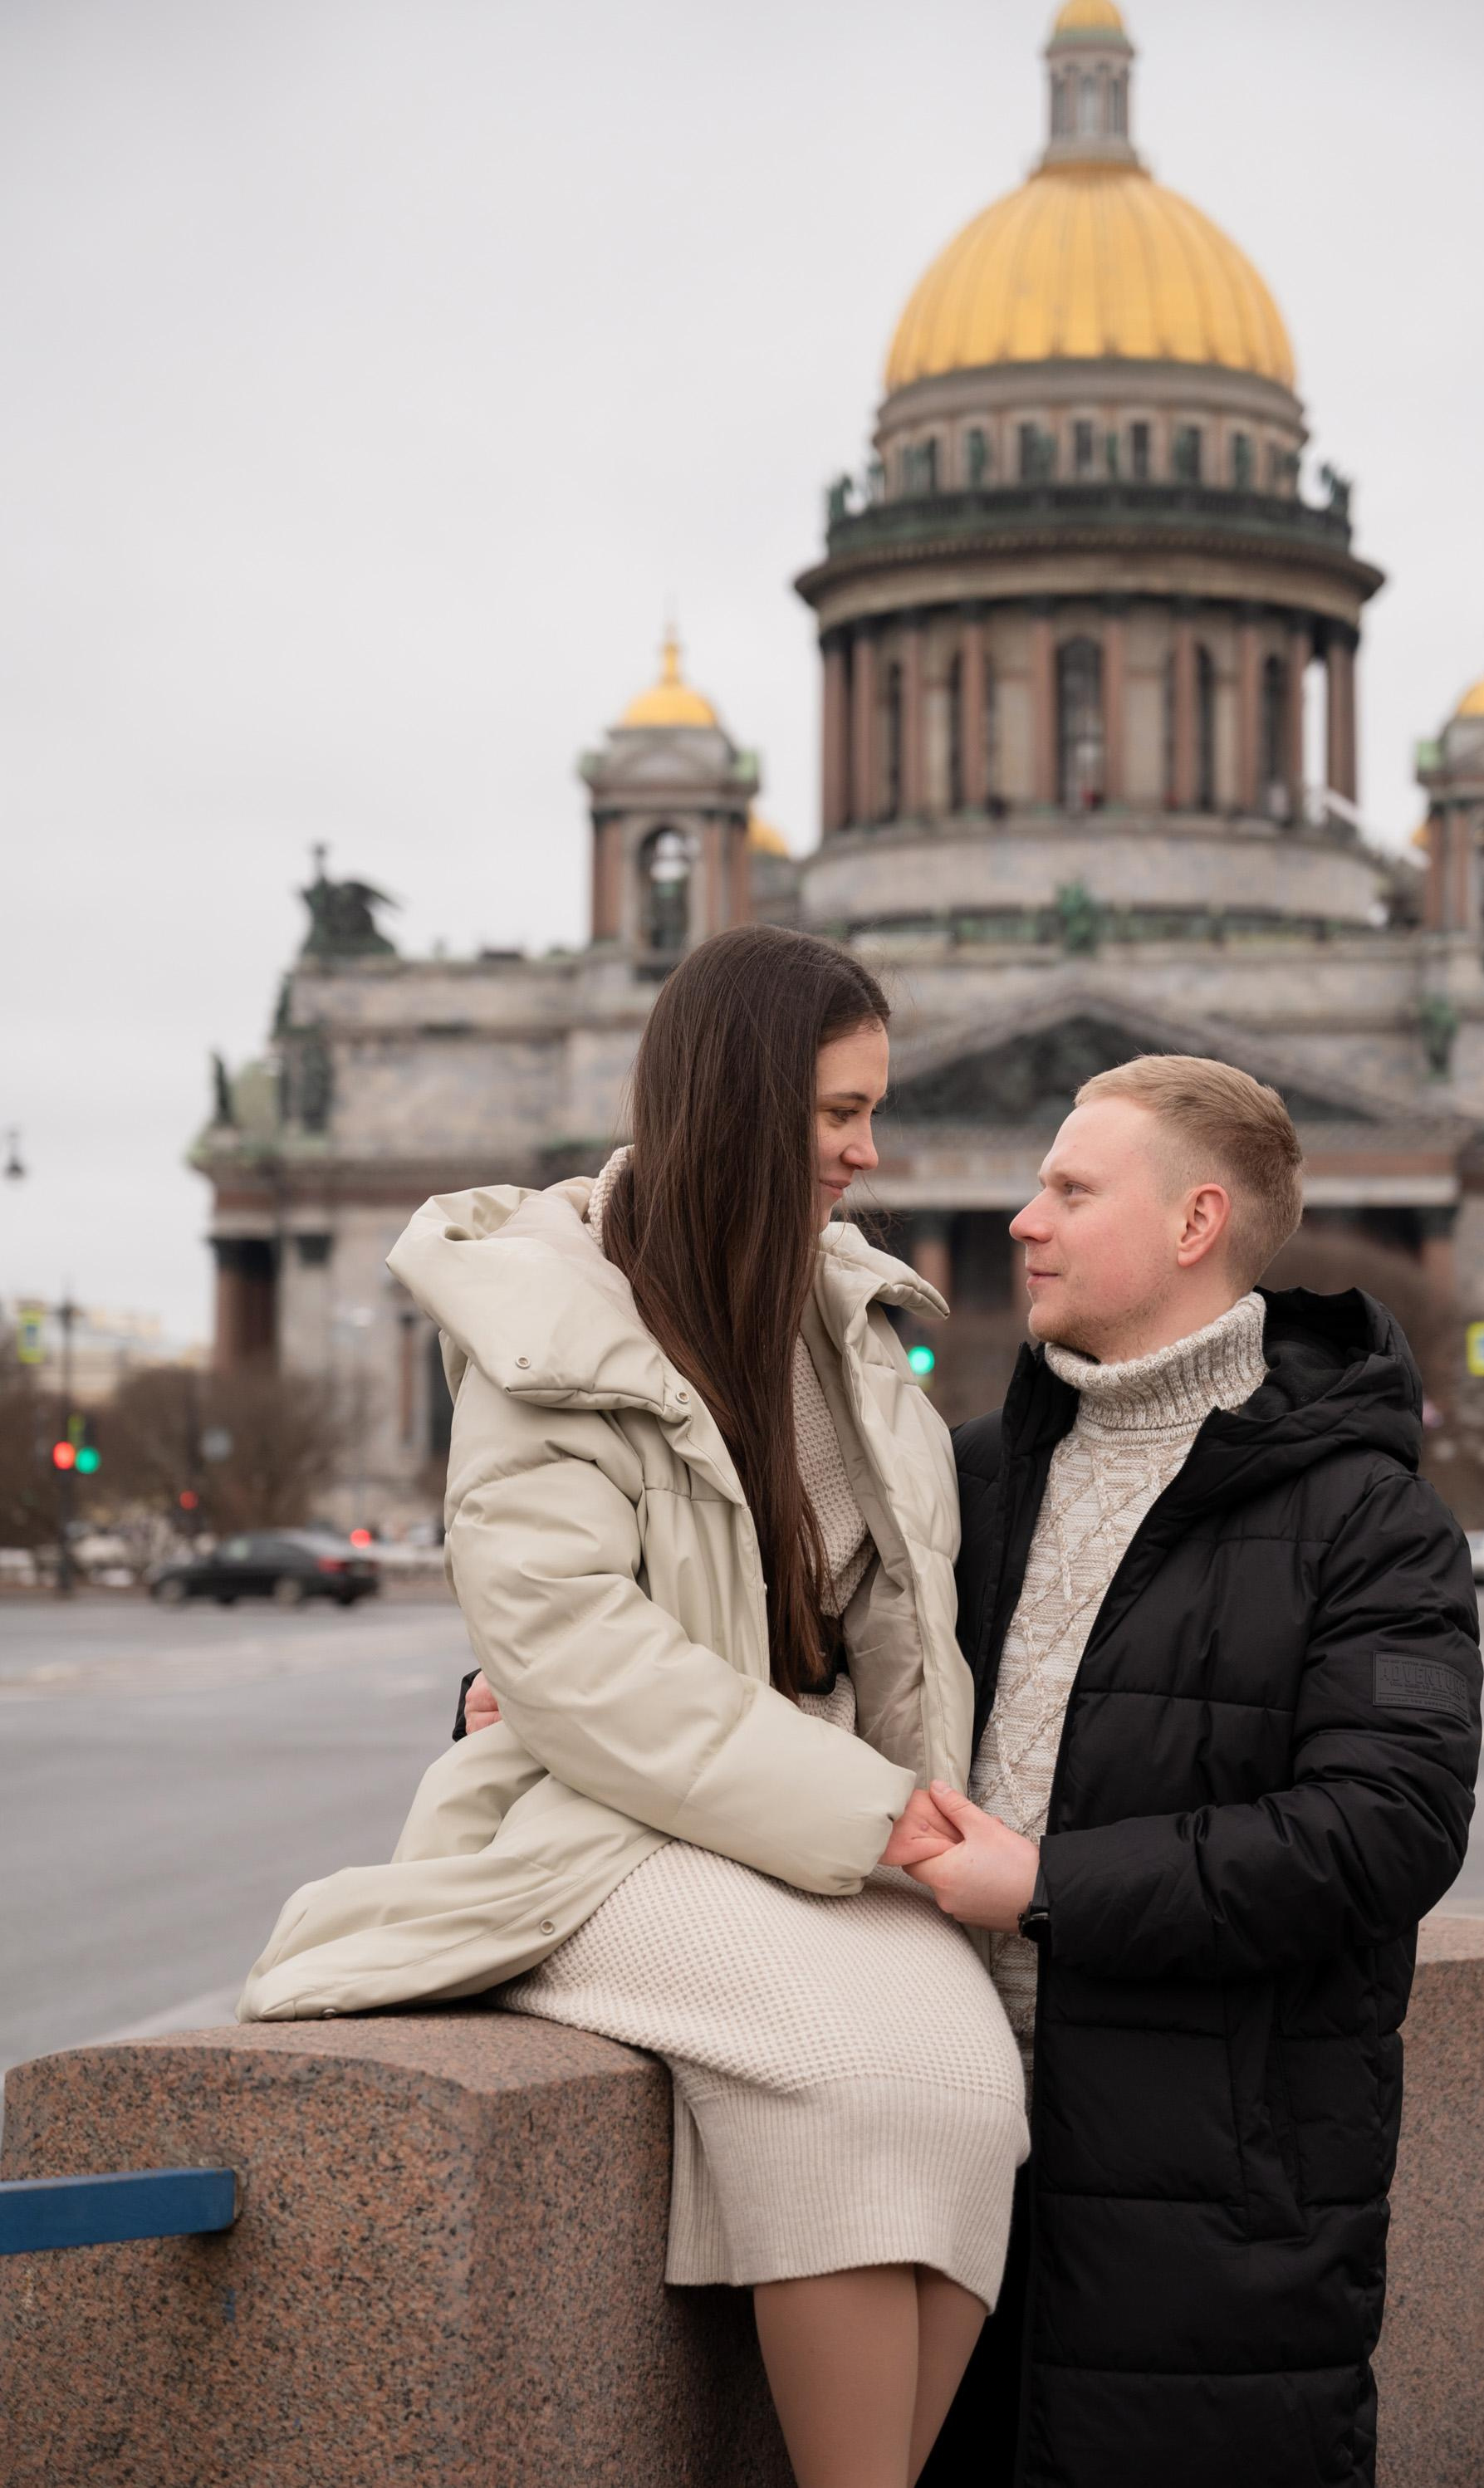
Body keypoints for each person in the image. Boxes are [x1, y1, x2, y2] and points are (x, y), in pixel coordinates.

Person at [238, 925, 1026, 2488]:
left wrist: (910, 1802)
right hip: (608, 1826)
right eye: (839, 1113)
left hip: (810, 1819)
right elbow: (575, 1653)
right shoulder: (549, 1313)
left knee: (974, 2090)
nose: (871, 1153)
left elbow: (900, 1617)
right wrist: (879, 1818)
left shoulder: (846, 1320)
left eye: (872, 1111)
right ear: (740, 1104)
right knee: (860, 2075)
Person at [903, 1054, 1482, 2488]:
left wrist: (1049, 1885)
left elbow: (1387, 1827)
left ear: (1195, 1222)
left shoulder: (1373, 1520)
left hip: (1211, 2210)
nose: (1023, 1219)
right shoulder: (964, 1477)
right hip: (937, 2161)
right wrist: (519, 1703)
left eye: (1070, 1189)